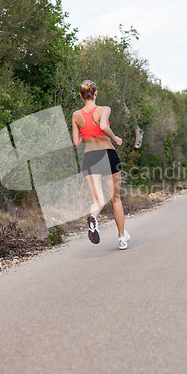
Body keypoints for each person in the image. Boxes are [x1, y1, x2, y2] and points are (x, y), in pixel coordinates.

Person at [72, 80, 130, 250]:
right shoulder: (104, 110)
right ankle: (121, 238)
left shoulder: (76, 115)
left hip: (90, 157)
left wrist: (85, 131)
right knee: (115, 199)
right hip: (107, 154)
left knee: (98, 200)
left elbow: (76, 142)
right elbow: (103, 126)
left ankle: (93, 218)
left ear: (81, 96)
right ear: (96, 93)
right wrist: (116, 139)